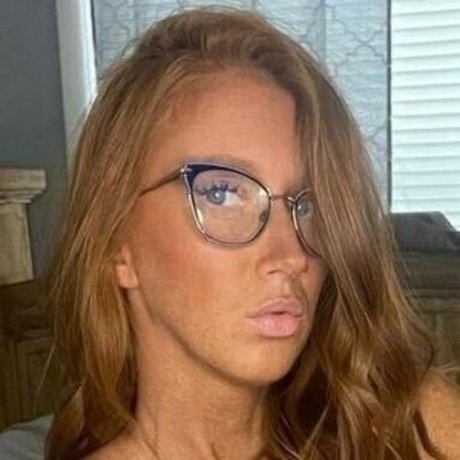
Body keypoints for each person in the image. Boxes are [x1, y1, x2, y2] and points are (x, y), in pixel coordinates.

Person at [44, 7, 460, 460]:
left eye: (309, 205)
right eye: (222, 192)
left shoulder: (411, 427)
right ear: (117, 245)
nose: (293, 255)